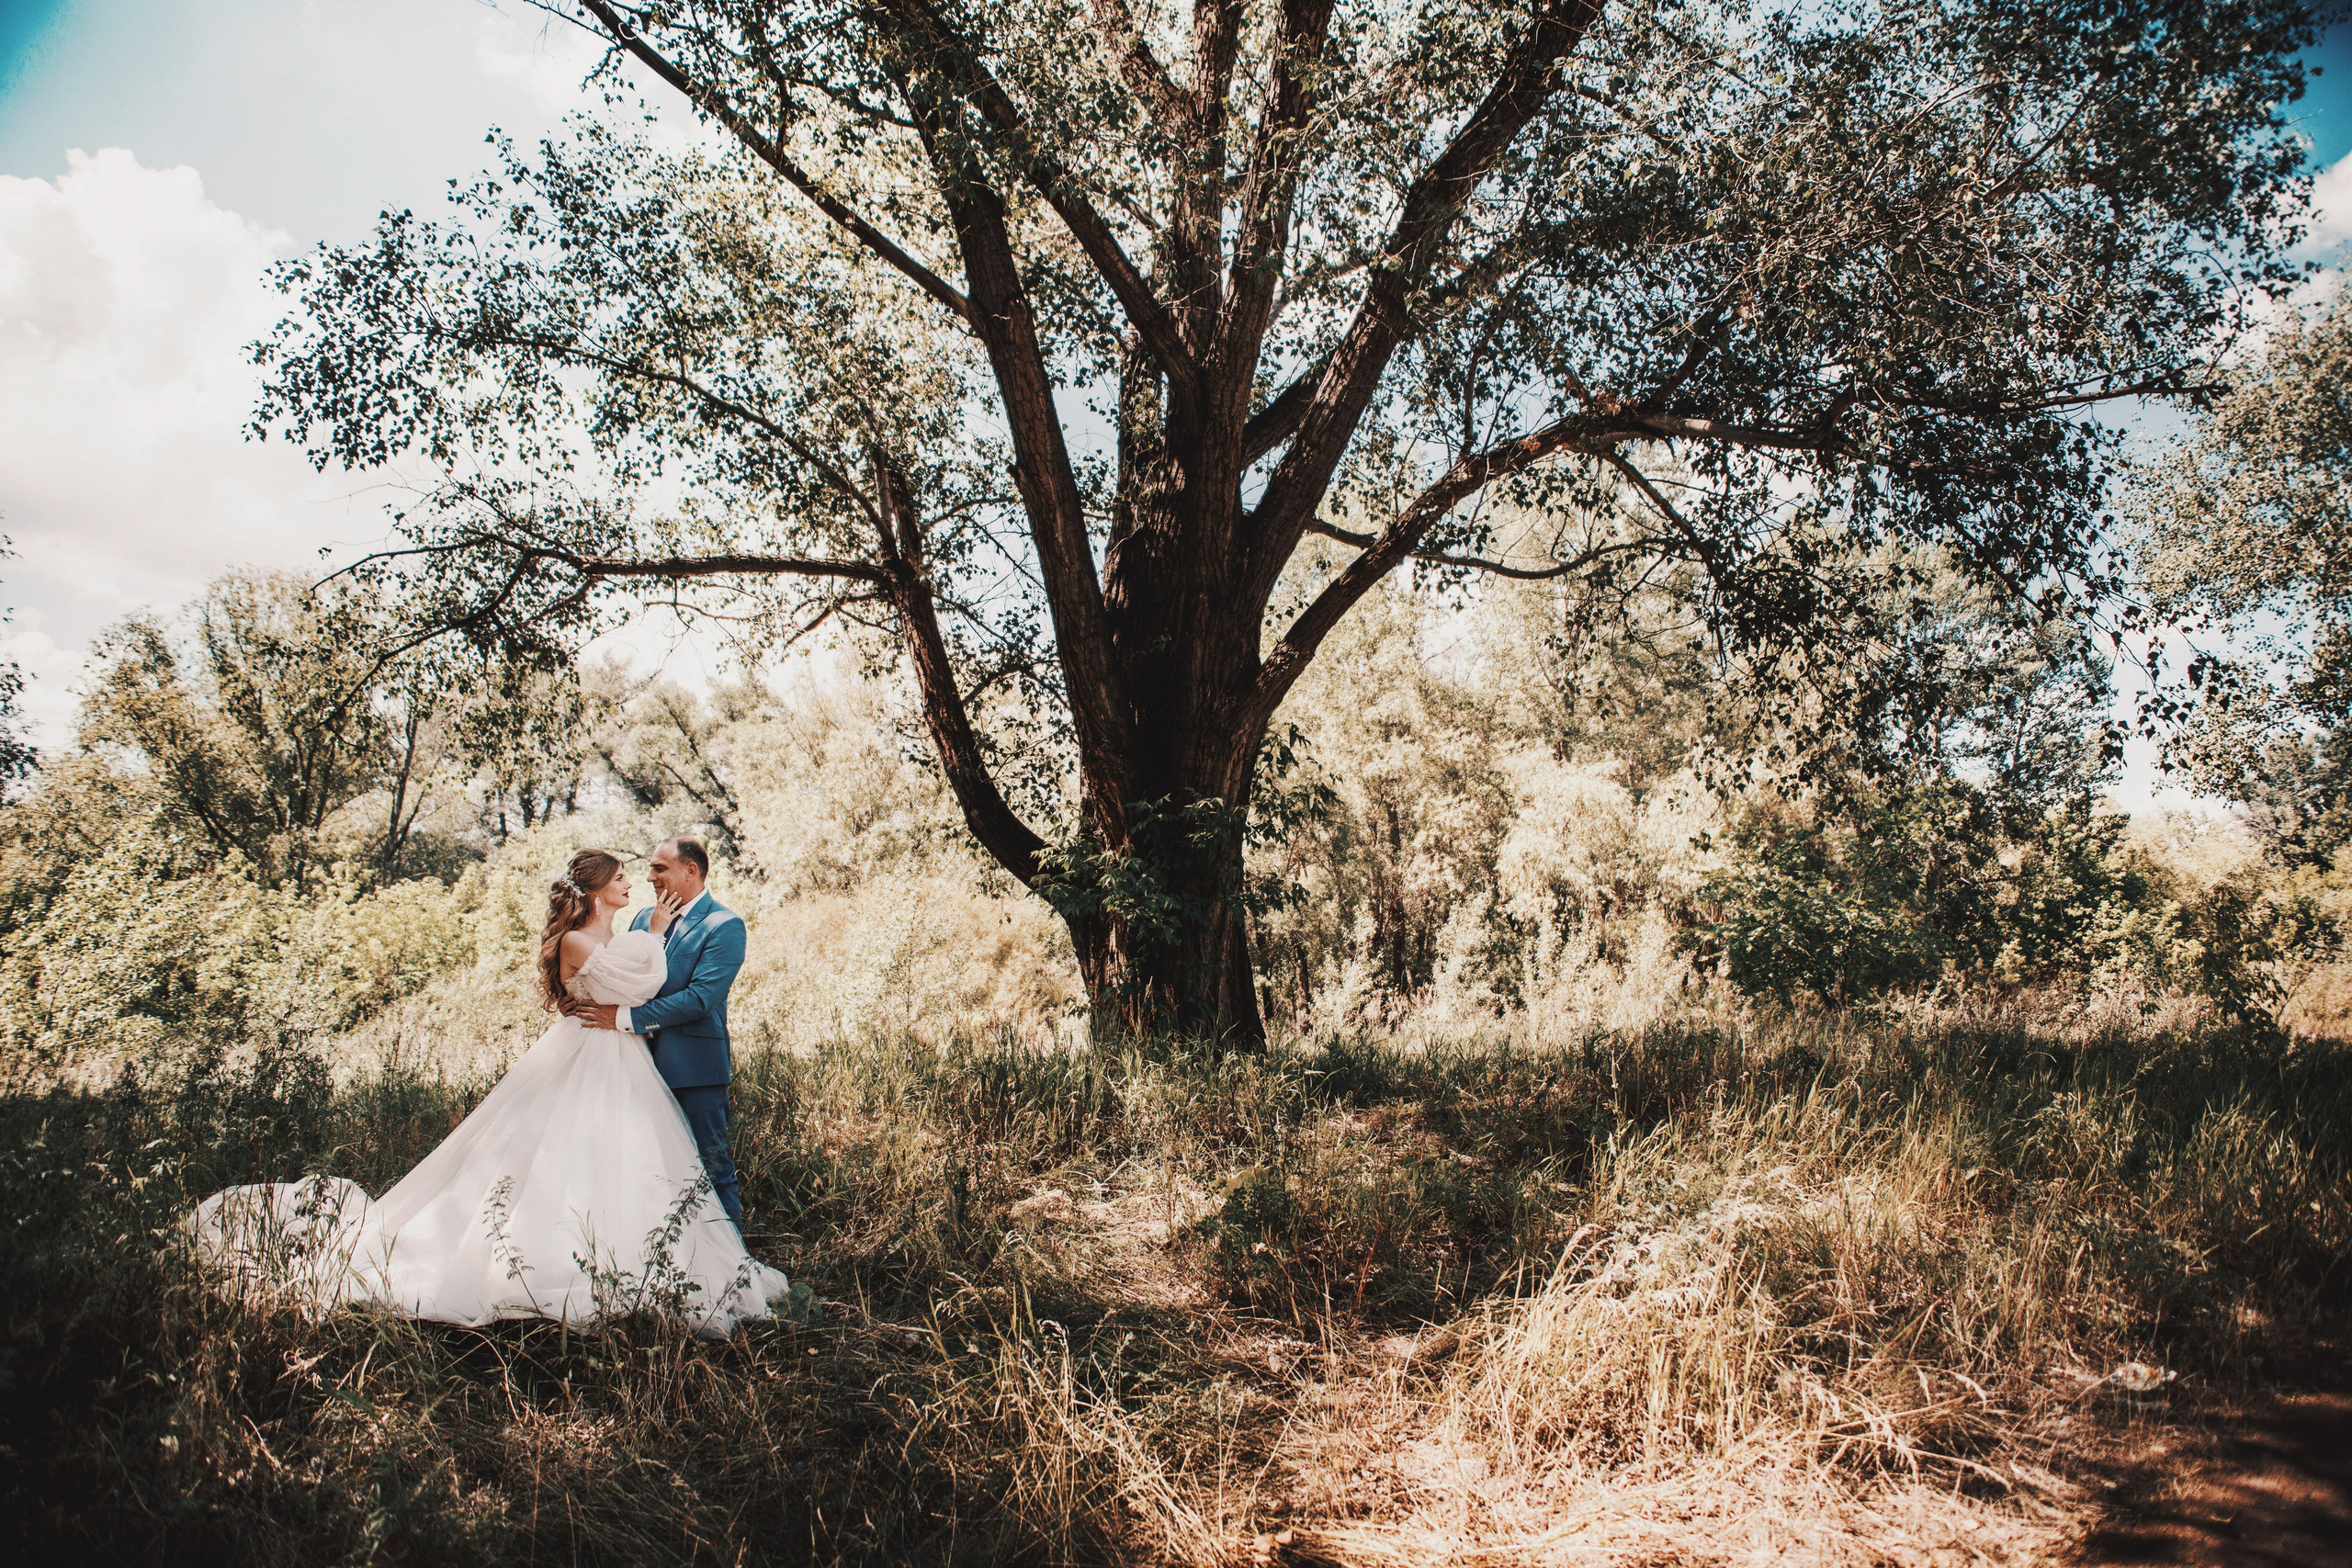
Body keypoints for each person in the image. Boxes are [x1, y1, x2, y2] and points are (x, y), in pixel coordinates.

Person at [189, 848, 802, 1336]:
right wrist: (654, 939)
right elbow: (642, 980)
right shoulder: (606, 933)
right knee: (571, 1156)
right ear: (595, 891)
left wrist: (640, 963)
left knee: (666, 1160)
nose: (638, 882)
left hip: (645, 1055)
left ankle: (697, 1251)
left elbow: (674, 990)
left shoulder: (683, 926)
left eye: (651, 870)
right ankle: (574, 1257)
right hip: (596, 1053)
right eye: (623, 876)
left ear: (690, 870)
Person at [560, 837, 747, 1227]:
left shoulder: (724, 925)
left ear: (690, 870)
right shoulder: (644, 917)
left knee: (711, 1167)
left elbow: (699, 1000)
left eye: (659, 868)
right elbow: (619, 977)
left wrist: (620, 1017)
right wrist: (577, 998)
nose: (649, 877)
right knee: (646, 1170)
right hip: (632, 1067)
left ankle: (733, 1255)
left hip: (693, 1068)